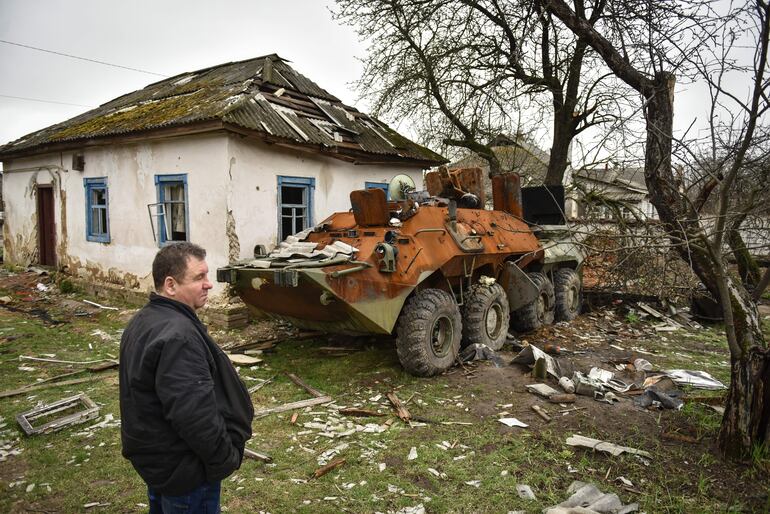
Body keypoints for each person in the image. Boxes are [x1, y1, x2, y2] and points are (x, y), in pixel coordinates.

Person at [119, 242, 254, 514]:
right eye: (199, 277)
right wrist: (223, 458)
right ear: (171, 285)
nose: (209, 284)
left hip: (161, 463)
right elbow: (193, 414)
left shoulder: (145, 319)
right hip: (187, 470)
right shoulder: (178, 336)